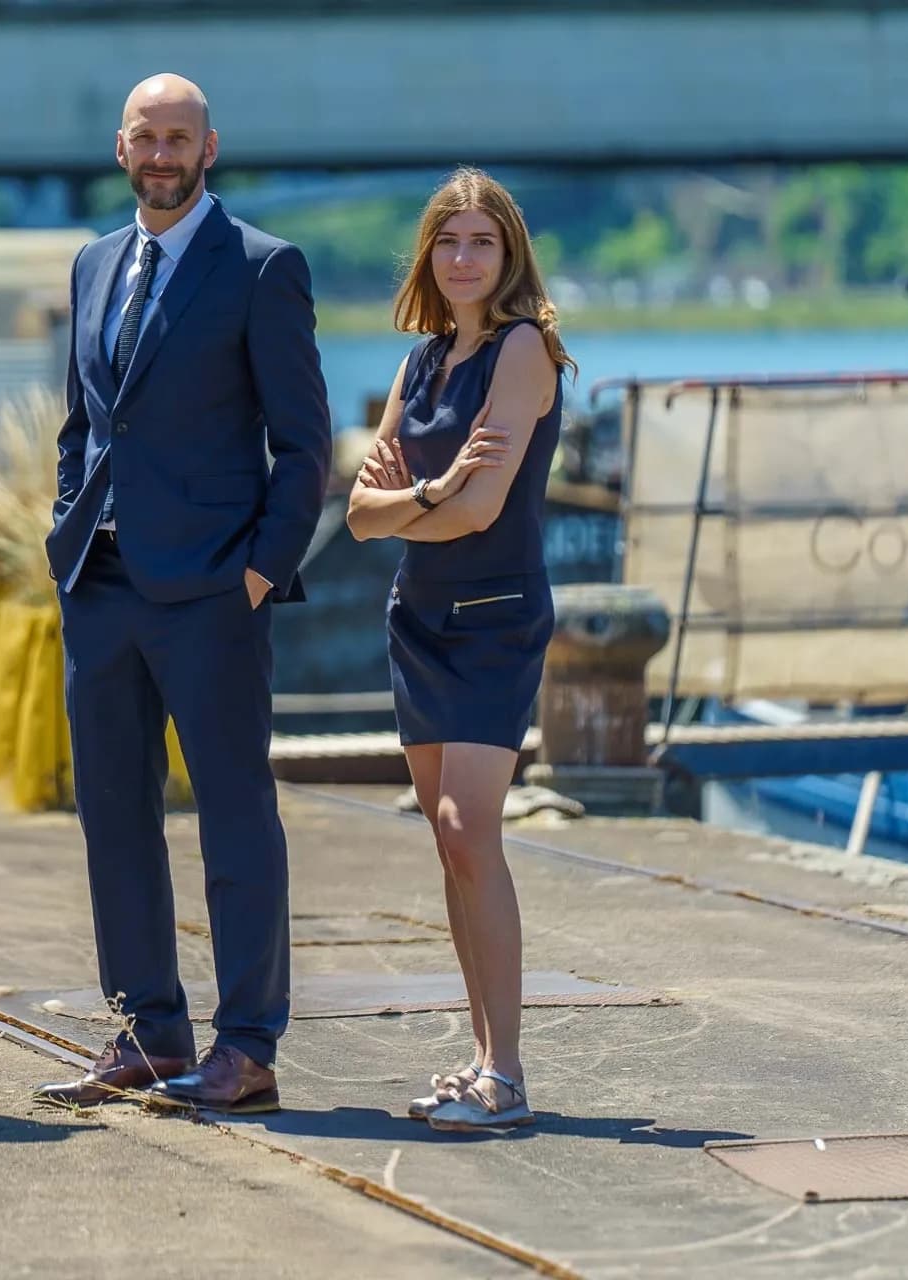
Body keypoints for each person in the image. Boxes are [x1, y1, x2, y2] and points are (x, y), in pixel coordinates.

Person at [33, 74, 331, 1114]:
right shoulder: (93, 262)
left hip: (212, 590)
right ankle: (148, 1029)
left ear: (210, 148)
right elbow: (84, 425)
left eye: (179, 138)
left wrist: (259, 570)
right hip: (100, 586)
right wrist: (64, 525)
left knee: (234, 816)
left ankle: (245, 1045)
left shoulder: (261, 268)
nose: (161, 153)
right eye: (145, 137)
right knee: (113, 815)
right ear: (121, 148)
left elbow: (304, 447)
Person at [345, 167, 574, 1131]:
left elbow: (486, 511)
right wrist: (430, 497)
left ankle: (508, 1075)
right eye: (449, 241)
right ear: (428, 257)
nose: (464, 257)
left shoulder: (525, 351)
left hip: (494, 617)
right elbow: (360, 516)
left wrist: (423, 500)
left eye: (482, 241)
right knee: (448, 840)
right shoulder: (420, 363)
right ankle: (480, 1061)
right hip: (419, 618)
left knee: (465, 823)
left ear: (508, 253)